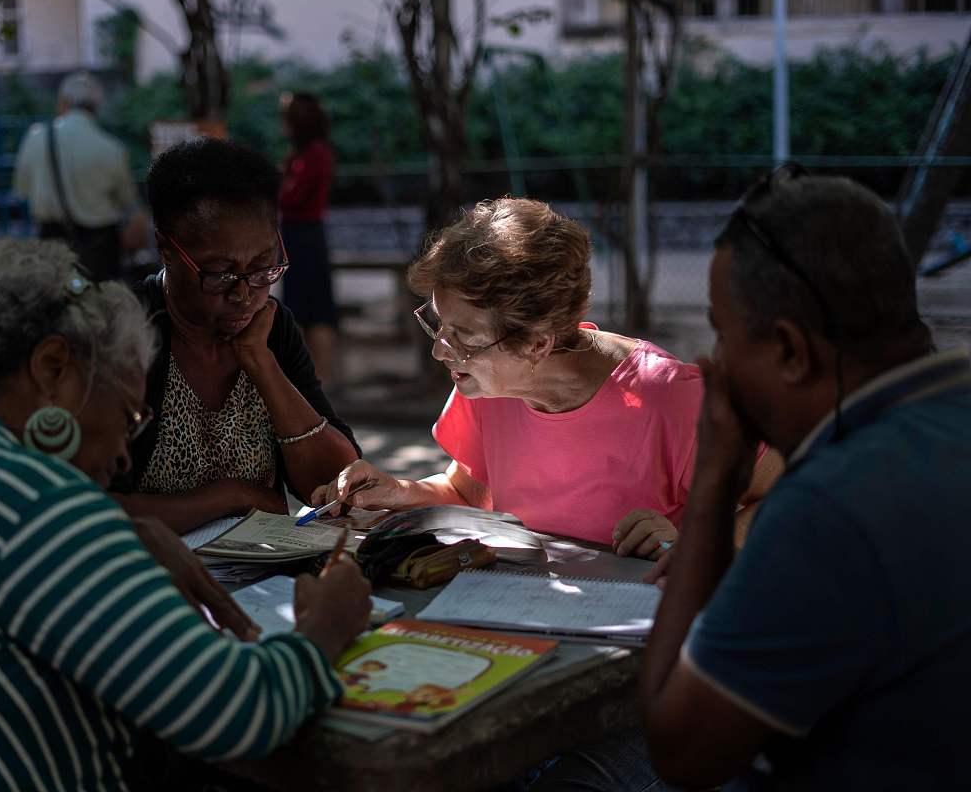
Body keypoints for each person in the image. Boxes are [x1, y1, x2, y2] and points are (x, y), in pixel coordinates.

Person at [0, 239, 371, 791]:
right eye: (128, 415)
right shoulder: (38, 506)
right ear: (53, 368)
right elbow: (239, 712)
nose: (122, 455)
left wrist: (114, 532)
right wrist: (329, 622)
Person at [640, 170, 969, 789]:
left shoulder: (829, 506)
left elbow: (679, 750)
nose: (716, 363)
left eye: (723, 334)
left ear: (791, 351)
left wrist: (714, 480)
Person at [314, 197, 778, 559]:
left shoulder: (673, 400)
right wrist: (398, 492)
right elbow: (468, 495)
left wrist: (699, 541)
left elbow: (788, 499)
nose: (440, 349)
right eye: (439, 324)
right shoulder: (486, 383)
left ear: (537, 344)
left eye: (465, 337)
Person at [110, 138, 360, 534]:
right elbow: (88, 507)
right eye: (220, 273)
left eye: (263, 267)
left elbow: (337, 484)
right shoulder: (120, 334)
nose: (244, 294)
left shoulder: (271, 328)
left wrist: (260, 362)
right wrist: (230, 496)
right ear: (166, 249)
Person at [12, 72, 148, 281]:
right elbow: (127, 202)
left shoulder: (35, 137)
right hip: (100, 251)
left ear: (63, 102)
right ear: (97, 107)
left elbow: (22, 190)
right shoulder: (111, 148)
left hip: (51, 247)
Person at [279, 91, 339, 388]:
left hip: (305, 236)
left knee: (315, 312)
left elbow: (293, 195)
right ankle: (310, 383)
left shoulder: (314, 154)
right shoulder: (309, 153)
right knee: (304, 311)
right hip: (300, 236)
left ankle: (320, 382)